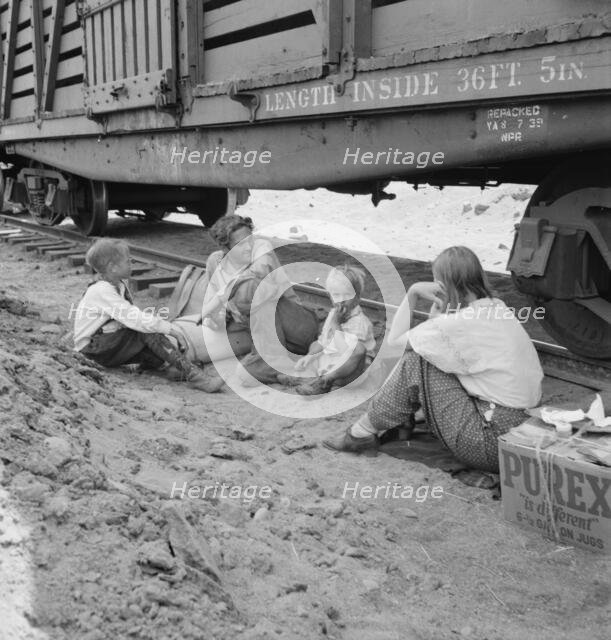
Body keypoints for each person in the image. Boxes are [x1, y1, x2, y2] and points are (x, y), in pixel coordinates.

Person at [323, 246, 544, 473]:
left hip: (491, 443)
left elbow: (395, 342)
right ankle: (395, 421)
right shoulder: (497, 307)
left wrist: (413, 293)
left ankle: (360, 434)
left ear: (444, 284)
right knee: (428, 355)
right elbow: (440, 341)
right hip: (520, 431)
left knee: (416, 362)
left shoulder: (458, 323)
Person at [171, 215, 319, 381]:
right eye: (240, 245)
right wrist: (219, 313)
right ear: (225, 247)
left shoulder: (262, 248)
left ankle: (277, 363)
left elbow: (256, 275)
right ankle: (283, 367)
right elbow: (216, 311)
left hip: (297, 327)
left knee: (249, 289)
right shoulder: (215, 261)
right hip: (265, 333)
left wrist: (223, 298)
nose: (248, 247)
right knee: (245, 374)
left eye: (250, 240)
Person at [73, 238, 223, 392]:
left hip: (104, 343)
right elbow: (134, 318)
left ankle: (170, 368)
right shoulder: (101, 290)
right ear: (112, 267)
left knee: (154, 352)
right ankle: (198, 378)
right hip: (92, 349)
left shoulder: (117, 285)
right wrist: (171, 330)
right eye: (127, 261)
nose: (131, 263)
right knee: (146, 332)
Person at [277, 265, 376, 395]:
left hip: (351, 372)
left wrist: (335, 324)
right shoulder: (334, 313)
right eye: (336, 295)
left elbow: (345, 352)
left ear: (357, 298)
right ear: (330, 296)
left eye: (347, 295)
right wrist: (309, 357)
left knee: (355, 351)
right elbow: (323, 342)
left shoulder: (360, 322)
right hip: (330, 361)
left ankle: (323, 382)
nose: (341, 300)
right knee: (314, 346)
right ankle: (310, 377)